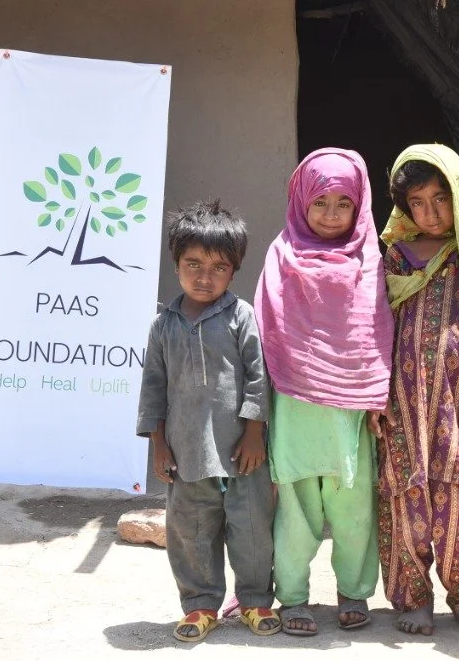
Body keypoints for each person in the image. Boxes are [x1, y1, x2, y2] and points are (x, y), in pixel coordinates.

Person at [254, 148, 394, 637]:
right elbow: (267, 332)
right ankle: (293, 596)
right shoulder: (281, 255)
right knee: (295, 508)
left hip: (351, 408)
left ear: (359, 206)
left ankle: (354, 592)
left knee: (353, 507)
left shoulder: (369, 258)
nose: (332, 214)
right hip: (294, 403)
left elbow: (376, 331)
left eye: (343, 204)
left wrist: (376, 397)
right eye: (320, 202)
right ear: (300, 201)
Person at [372, 144, 459, 636]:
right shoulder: (392, 257)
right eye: (417, 203)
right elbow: (373, 327)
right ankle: (411, 598)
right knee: (403, 494)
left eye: (440, 199)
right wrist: (373, 395)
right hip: (401, 399)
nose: (430, 213)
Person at [135, 200, 280, 643]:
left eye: (218, 267)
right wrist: (159, 445)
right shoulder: (163, 326)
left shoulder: (241, 316)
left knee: (252, 530)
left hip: (242, 454)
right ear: (176, 264)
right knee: (190, 533)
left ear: (233, 271)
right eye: (193, 264)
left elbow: (258, 376)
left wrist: (254, 432)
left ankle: (254, 600)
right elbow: (153, 388)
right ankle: (200, 605)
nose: (204, 276)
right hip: (187, 453)